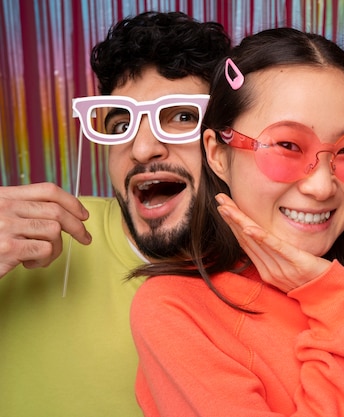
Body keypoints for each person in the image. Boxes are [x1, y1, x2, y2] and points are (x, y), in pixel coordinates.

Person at [128, 27, 344, 416]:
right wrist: (333, 304)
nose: (321, 186)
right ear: (216, 153)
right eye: (286, 146)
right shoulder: (176, 310)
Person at [0, 11, 230, 417]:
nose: (143, 149)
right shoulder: (25, 239)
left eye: (180, 116)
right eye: (121, 122)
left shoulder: (271, 273)